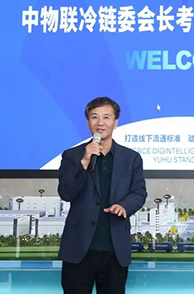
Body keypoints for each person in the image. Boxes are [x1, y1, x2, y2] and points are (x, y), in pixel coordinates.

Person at [58, 96, 147, 294]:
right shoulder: (72, 156)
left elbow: (139, 192)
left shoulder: (131, 158)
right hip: (79, 249)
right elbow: (66, 192)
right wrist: (84, 161)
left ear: (115, 122)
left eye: (106, 117)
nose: (100, 122)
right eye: (94, 117)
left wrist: (124, 206)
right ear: (88, 122)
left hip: (115, 250)